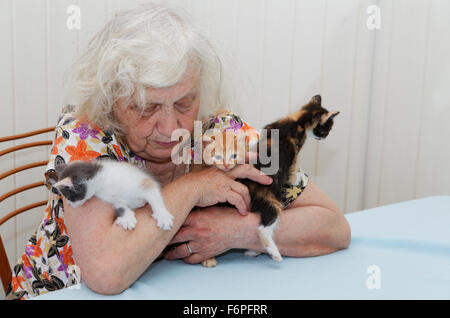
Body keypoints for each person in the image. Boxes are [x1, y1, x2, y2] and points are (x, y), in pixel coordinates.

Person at [5, 3, 350, 300]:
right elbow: (106, 273)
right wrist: (193, 187)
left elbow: (333, 227)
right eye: (146, 107)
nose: (172, 128)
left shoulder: (218, 131)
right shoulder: (85, 135)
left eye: (185, 102)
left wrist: (236, 230)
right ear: (110, 99)